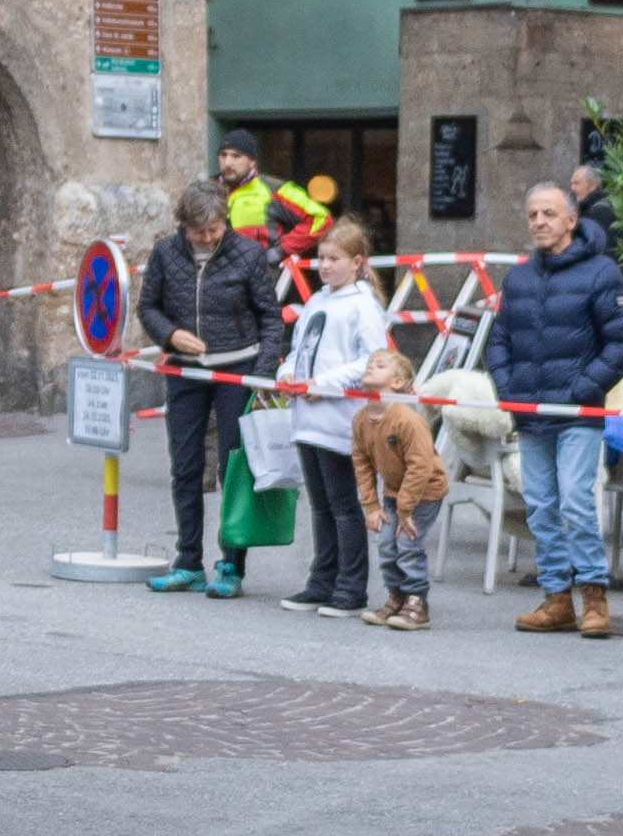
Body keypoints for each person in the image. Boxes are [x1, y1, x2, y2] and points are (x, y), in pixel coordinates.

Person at [476, 179, 623, 638]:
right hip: (529, 411)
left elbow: (622, 345)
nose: (539, 222)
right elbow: (500, 339)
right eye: (532, 215)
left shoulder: (602, 272)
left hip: (578, 414)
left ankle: (594, 597)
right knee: (541, 506)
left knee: (576, 504)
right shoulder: (521, 276)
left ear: (572, 220)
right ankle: (556, 598)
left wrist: (581, 390)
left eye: (549, 213)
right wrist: (506, 387)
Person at [135, 187, 278, 599]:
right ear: (184, 227)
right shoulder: (166, 253)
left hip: (238, 368)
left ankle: (232, 565)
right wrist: (171, 335)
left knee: (233, 469)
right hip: (186, 371)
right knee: (186, 465)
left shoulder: (248, 254)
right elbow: (149, 308)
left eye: (215, 230)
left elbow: (270, 318)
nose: (209, 239)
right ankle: (188, 562)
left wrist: (262, 374)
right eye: (200, 233)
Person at [270, 218, 398, 618]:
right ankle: (321, 580)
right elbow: (300, 349)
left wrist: (321, 382)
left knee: (345, 506)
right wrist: (287, 373)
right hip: (307, 417)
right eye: (321, 258)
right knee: (321, 506)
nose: (324, 266)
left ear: (357, 262)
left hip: (340, 419)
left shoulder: (363, 306)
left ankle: (350, 586)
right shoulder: (318, 301)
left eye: (334, 259)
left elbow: (372, 360)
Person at [348, 370, 451, 631]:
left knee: (408, 544)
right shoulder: (361, 419)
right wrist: (371, 505)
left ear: (398, 382)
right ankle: (397, 597)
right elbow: (361, 462)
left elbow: (420, 466)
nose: (371, 366)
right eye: (371, 363)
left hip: (424, 492)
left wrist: (406, 509)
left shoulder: (408, 421)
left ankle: (418, 602)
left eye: (381, 365)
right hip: (394, 494)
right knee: (386, 545)